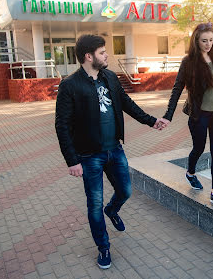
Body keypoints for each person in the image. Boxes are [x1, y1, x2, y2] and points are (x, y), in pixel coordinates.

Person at [55, 34, 167, 269]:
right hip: (89, 156)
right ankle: (103, 247)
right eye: (103, 52)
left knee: (125, 191)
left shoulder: (110, 77)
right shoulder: (70, 85)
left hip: (115, 149)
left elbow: (127, 104)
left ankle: (113, 210)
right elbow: (62, 125)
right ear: (89, 56)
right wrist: (72, 160)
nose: (107, 55)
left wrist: (151, 121)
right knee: (94, 204)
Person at [160, 22, 213, 207]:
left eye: (211, 40)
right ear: (196, 41)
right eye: (204, 41)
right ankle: (190, 172)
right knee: (198, 149)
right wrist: (168, 114)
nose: (208, 44)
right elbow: (177, 89)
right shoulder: (189, 62)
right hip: (199, 115)